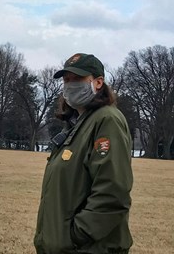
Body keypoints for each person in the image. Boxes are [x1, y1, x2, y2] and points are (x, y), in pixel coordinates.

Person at [34, 53, 132, 254]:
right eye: (66, 80)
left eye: (77, 79)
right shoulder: (77, 124)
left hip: (90, 248)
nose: (70, 85)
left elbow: (112, 192)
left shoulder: (107, 120)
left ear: (98, 82)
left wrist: (76, 235)